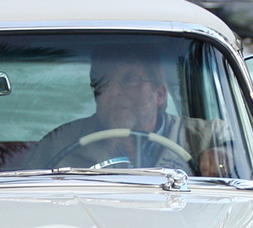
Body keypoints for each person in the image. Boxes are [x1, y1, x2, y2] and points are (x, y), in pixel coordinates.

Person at [21, 50, 229, 175]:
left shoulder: (201, 136)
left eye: (130, 80)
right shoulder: (59, 144)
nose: (114, 92)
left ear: (160, 95)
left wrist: (226, 155)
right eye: (103, 83)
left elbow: (248, 152)